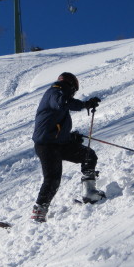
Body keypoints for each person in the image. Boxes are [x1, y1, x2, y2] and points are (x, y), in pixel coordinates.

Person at [31, 72, 105, 222]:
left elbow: (55, 125)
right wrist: (85, 104)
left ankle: (89, 192)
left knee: (88, 155)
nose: (73, 94)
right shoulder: (56, 90)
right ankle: (38, 212)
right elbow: (62, 102)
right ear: (71, 86)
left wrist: (71, 137)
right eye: (74, 91)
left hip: (57, 143)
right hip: (47, 145)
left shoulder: (57, 93)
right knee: (52, 179)